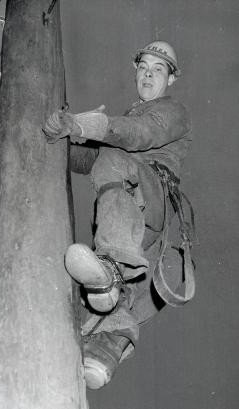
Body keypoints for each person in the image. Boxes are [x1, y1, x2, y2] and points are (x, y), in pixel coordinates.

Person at [43, 41, 194, 389]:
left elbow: (140, 135)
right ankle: (104, 350)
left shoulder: (172, 111)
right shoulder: (130, 118)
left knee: (114, 163)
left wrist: (90, 124)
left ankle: (110, 267)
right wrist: (58, 135)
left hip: (153, 196)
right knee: (103, 299)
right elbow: (90, 159)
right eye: (143, 67)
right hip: (132, 216)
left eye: (159, 69)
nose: (148, 74)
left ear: (170, 79)